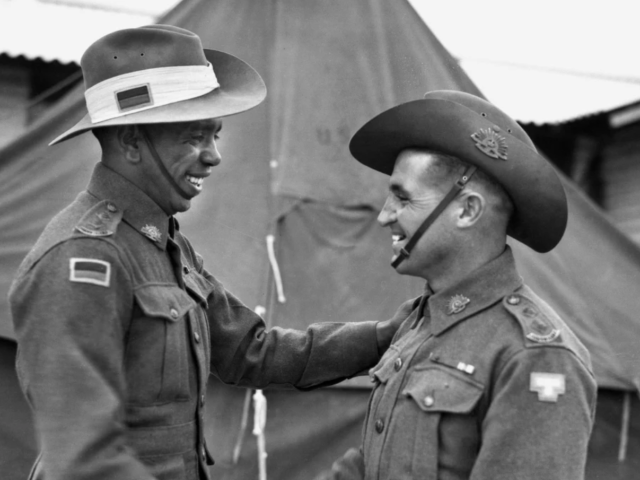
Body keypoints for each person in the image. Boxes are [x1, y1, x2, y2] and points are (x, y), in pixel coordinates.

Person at [9, 25, 402, 480]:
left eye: (214, 135)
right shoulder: (81, 260)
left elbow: (253, 351)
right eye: (194, 136)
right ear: (132, 140)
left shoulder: (160, 241)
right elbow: (84, 459)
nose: (213, 156)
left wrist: (385, 336)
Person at [318, 90, 597, 480]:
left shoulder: (535, 355)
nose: (384, 216)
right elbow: (373, 465)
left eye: (402, 198)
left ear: (467, 210)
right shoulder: (421, 323)